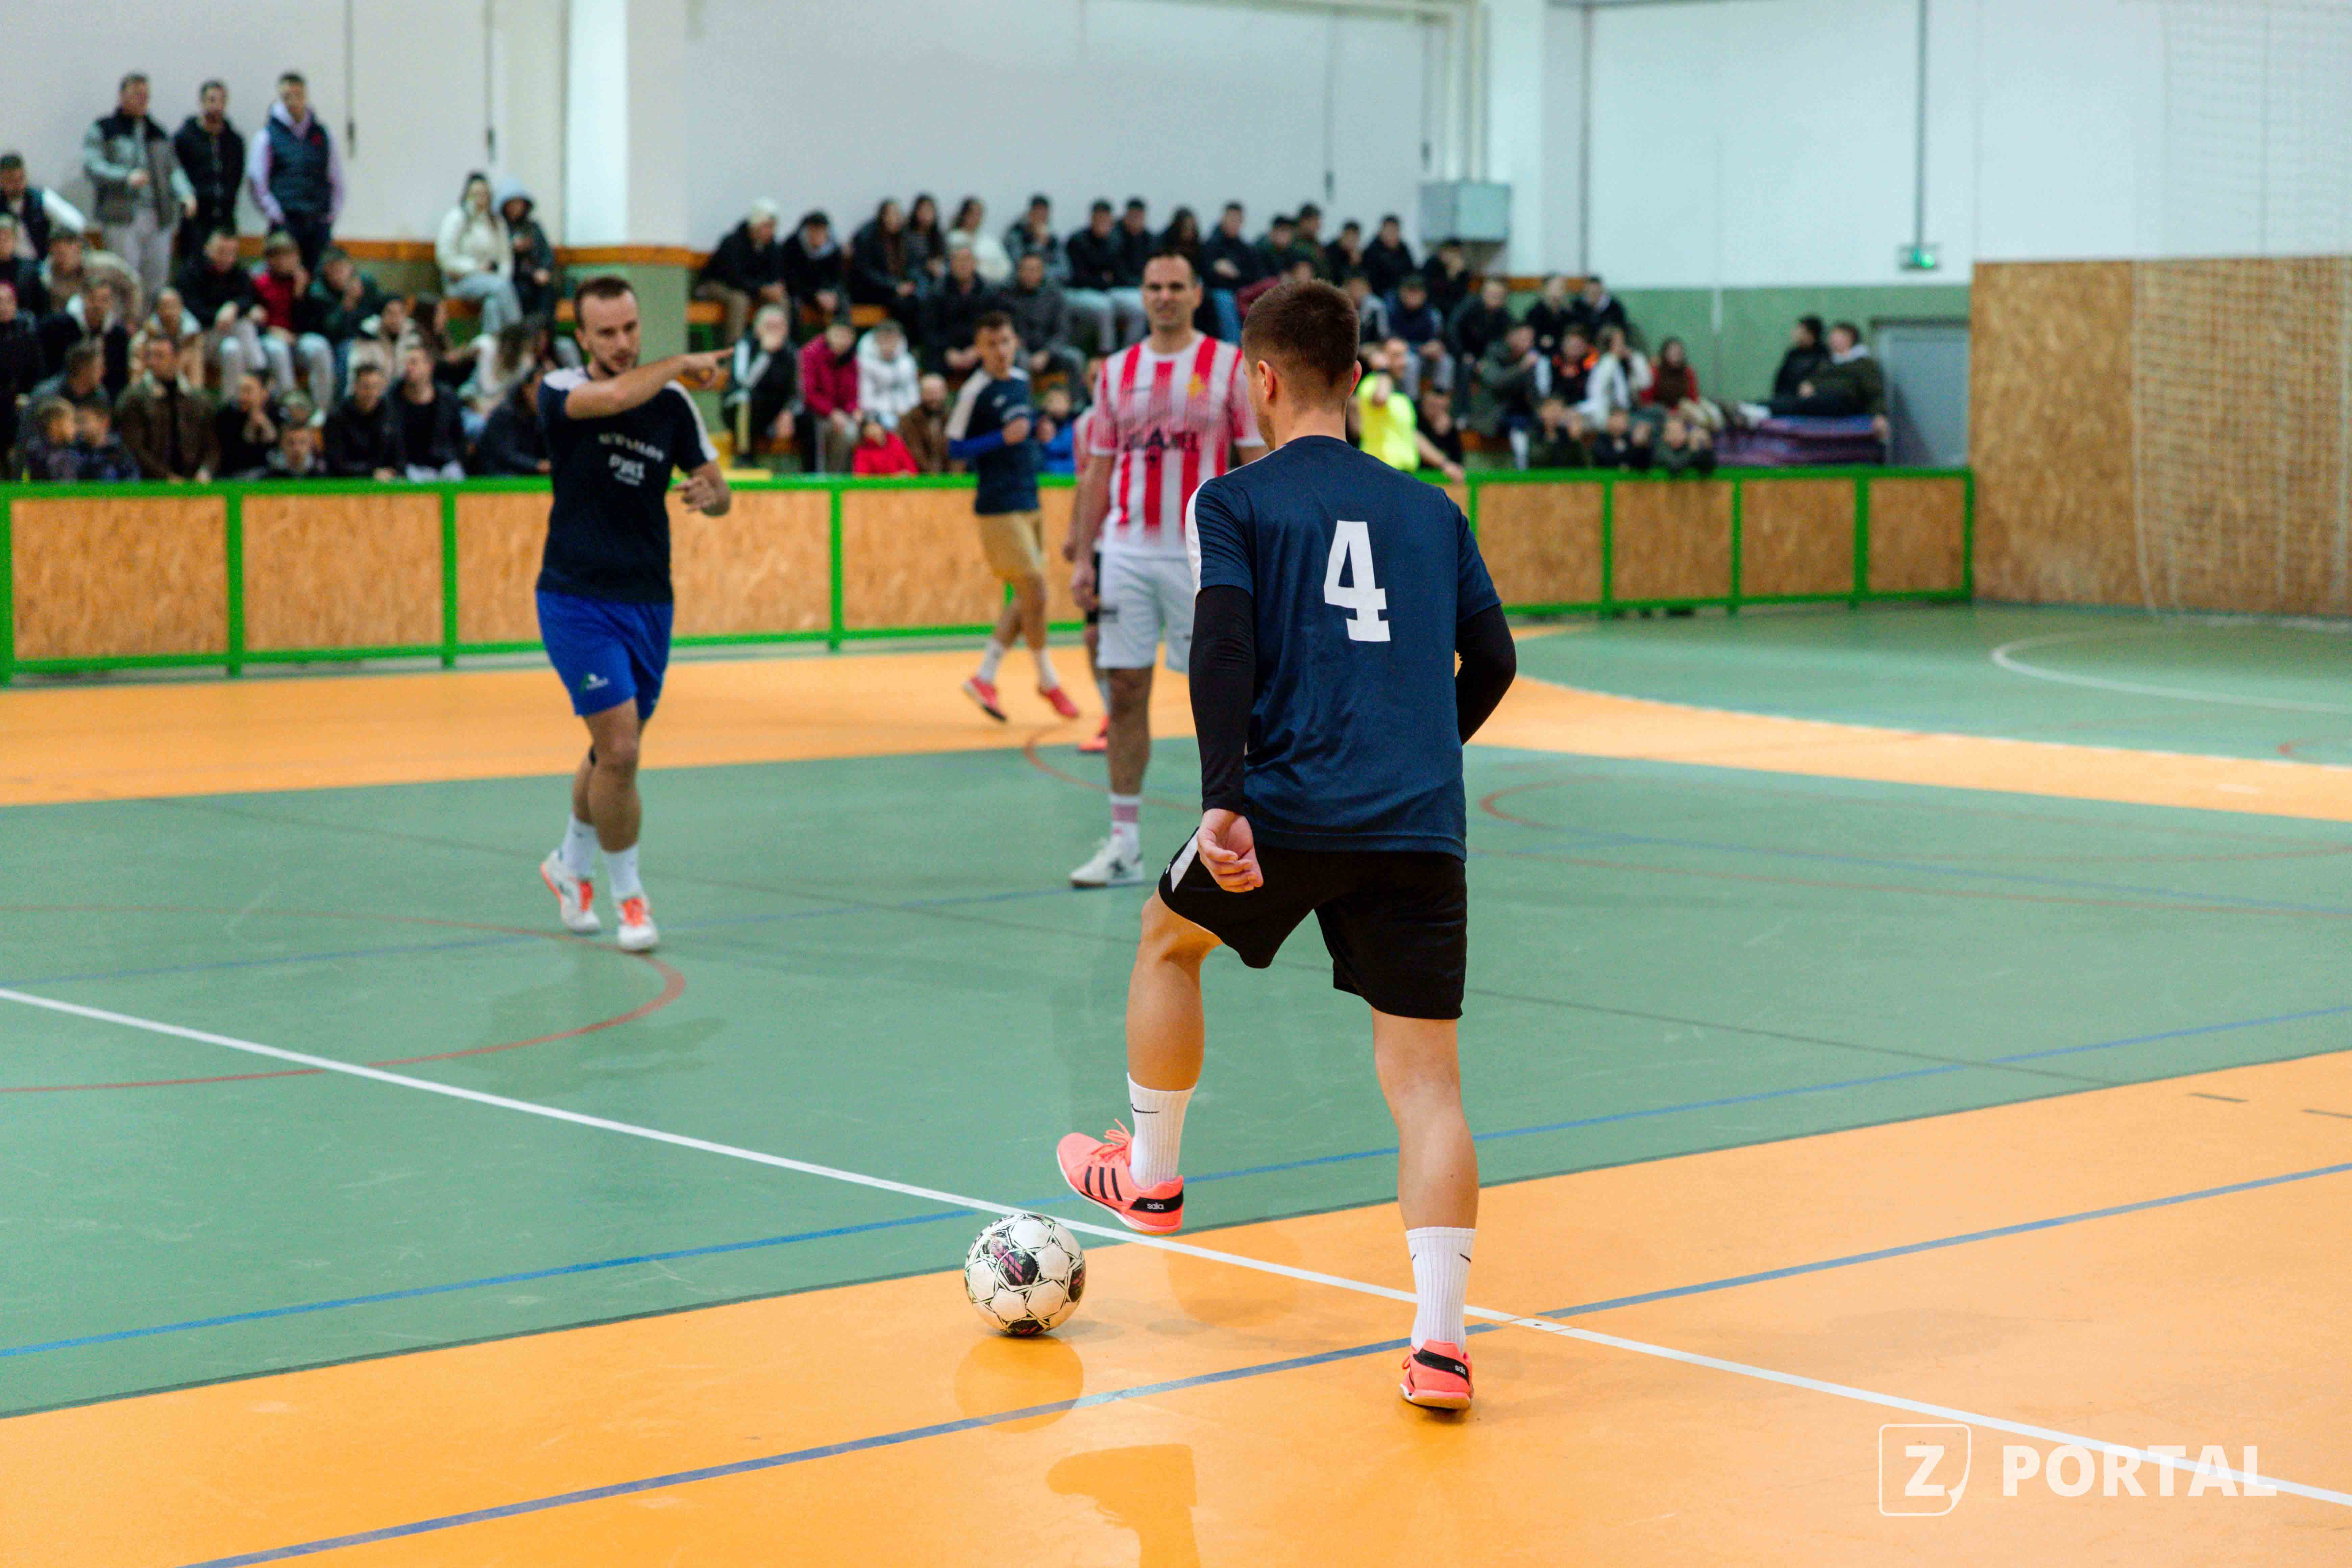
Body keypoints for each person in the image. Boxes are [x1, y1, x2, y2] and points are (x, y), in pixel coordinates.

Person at [1053, 277, 1516, 1413]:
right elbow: (1496, 662)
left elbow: (1222, 648)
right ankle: (1442, 1347)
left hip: (1288, 808)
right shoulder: (1433, 512)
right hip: (1418, 824)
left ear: (1259, 380)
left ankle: (1151, 1177)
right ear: (1355, 379)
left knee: (1168, 940)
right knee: (1428, 1084)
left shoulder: (1236, 500)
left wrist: (1224, 799)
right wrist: (1417, 752)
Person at [533, 275, 731, 955]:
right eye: (607, 332)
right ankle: (630, 899)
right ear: (583, 338)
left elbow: (721, 490)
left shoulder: (673, 407)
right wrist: (679, 363)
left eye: (630, 328)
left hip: (648, 602)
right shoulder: (561, 390)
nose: (622, 343)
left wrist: (711, 495)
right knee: (621, 749)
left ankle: (569, 864)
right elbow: (617, 396)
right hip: (576, 598)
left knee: (609, 754)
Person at [1065, 247, 1265, 887]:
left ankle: (1245, 832)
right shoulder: (1115, 371)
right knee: (1125, 689)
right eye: (1155, 287)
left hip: (1200, 554)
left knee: (1225, 694)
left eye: (1177, 286)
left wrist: (1264, 550)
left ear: (1198, 294)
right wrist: (1085, 556)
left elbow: (1255, 462)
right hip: (1126, 551)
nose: (1165, 297)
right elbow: (1098, 468)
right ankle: (1124, 844)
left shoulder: (1228, 366)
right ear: (1143, 294)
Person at [949, 311, 1077, 726]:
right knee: (1035, 589)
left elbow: (1025, 425)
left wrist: (1040, 429)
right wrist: (999, 439)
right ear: (978, 348)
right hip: (998, 504)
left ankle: (985, 677)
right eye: (991, 344)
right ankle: (1048, 680)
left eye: (1005, 342)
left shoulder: (1022, 381)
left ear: (1015, 342)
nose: (1000, 351)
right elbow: (954, 448)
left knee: (1029, 595)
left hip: (1029, 498)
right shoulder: (975, 392)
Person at [83, 72, 196, 304]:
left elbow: (173, 169)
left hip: (158, 215)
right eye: (136, 94)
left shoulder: (157, 132)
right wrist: (125, 177)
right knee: (124, 279)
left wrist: (186, 193)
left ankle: (151, 324)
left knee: (157, 279)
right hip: (122, 215)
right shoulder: (105, 129)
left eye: (146, 95)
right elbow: (93, 166)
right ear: (122, 96)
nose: (142, 100)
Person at [245, 72, 343, 270]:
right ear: (280, 98)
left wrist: (331, 214)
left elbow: (336, 177)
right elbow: (257, 183)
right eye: (287, 96)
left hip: (318, 223)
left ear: (306, 96)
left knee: (317, 278)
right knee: (284, 278)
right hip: (285, 223)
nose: (293, 101)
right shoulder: (267, 136)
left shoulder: (323, 134)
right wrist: (277, 215)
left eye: (298, 95)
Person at [1356, 337, 1462, 482]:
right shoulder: (1371, 384)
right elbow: (1381, 398)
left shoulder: (1402, 398)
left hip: (1402, 475)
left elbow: (1413, 436)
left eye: (1405, 355)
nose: (1404, 362)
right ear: (1382, 358)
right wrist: (1382, 370)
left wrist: (1445, 464)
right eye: (1397, 356)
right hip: (1379, 473)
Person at [115, 328, 215, 479]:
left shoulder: (198, 400)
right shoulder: (134, 399)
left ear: (177, 358)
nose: (152, 362)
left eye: (160, 356)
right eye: (150, 356)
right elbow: (134, 448)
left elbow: (212, 445)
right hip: (150, 483)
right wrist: (166, 477)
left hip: (195, 482)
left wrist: (206, 471)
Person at [249, 229, 334, 399]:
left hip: (297, 338)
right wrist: (270, 330)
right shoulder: (259, 283)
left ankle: (322, 409)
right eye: (278, 257)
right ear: (269, 259)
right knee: (278, 350)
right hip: (269, 339)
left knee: (320, 347)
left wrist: (300, 295)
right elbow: (252, 321)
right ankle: (289, 405)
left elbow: (313, 324)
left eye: (288, 257)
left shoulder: (305, 282)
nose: (283, 262)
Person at [436, 172, 521, 338]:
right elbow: (445, 258)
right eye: (477, 194)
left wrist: (501, 275)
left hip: (493, 281)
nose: (481, 199)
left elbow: (506, 258)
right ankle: (518, 340)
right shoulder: (457, 218)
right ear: (468, 194)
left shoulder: (496, 221)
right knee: (501, 288)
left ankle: (493, 347)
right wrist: (476, 268)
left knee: (493, 304)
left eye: (485, 194)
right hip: (460, 281)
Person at [696, 199, 786, 347]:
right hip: (716, 285)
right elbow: (733, 278)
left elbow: (776, 275)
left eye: (773, 227)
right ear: (756, 224)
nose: (771, 231)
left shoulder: (772, 248)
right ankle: (734, 353)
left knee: (782, 300)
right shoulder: (733, 242)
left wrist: (774, 289)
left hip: (751, 290)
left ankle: (777, 350)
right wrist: (761, 289)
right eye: (767, 226)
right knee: (740, 300)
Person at [174, 82, 245, 264]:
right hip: (195, 219)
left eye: (221, 101)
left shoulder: (235, 141)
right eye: (212, 100)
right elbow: (175, 173)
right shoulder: (184, 138)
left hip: (225, 218)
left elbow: (237, 177)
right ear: (202, 102)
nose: (217, 106)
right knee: (194, 266)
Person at [300, 246, 386, 391]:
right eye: (333, 270)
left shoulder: (366, 283)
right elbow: (330, 330)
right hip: (333, 342)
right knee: (348, 351)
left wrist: (360, 302)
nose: (338, 274)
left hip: (366, 336)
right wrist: (347, 303)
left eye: (342, 268)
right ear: (325, 271)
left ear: (351, 268)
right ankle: (343, 399)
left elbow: (376, 313)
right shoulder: (318, 292)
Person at [1465, 320, 1548, 468]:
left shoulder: (1528, 360)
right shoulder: (1492, 354)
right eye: (1524, 339)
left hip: (1521, 412)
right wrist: (1521, 368)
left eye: (1531, 339)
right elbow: (1497, 383)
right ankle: (1521, 468)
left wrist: (1544, 410)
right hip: (1493, 413)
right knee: (1519, 425)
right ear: (1510, 337)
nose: (1529, 343)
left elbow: (1533, 393)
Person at [725, 302, 800, 458]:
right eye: (769, 326)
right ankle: (745, 458)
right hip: (743, 405)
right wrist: (765, 355)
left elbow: (796, 390)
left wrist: (788, 411)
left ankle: (813, 469)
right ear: (757, 328)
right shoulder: (745, 345)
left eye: (779, 326)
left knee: (807, 416)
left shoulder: (791, 351)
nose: (774, 331)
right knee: (744, 401)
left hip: (775, 406)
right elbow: (744, 384)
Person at [1064, 200, 1138, 354]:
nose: (1103, 224)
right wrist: (1103, 279)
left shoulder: (1115, 241)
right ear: (1092, 219)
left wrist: (1105, 279)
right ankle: (1106, 354)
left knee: (1138, 310)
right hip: (1079, 291)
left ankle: (1130, 354)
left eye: (1106, 220)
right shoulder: (1078, 240)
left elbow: (1119, 275)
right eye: (1100, 219)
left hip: (1107, 291)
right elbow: (1079, 277)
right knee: (1105, 308)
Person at [1005, 250, 1083, 389]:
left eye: (1034, 270)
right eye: (1026, 270)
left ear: (1042, 272)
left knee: (1076, 358)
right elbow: (1005, 328)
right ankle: (1024, 401)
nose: (1029, 274)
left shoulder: (1055, 296)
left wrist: (1047, 353)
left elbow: (1063, 331)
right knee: (1020, 359)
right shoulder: (1007, 296)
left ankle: (1076, 401)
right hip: (1020, 349)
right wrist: (1016, 343)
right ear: (1019, 272)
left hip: (1050, 351)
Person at [0, 153, 87, 271]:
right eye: (10, 181)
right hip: (9, 265)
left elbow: (77, 223)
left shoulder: (41, 199)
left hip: (41, 264)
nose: (16, 185)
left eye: (20, 179)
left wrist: (57, 245)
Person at [921, 243, 998, 375]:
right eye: (958, 260)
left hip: (979, 350)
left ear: (975, 263)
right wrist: (947, 351)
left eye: (967, 260)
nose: (963, 265)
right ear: (951, 264)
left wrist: (978, 349)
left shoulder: (989, 291)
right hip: (945, 351)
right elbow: (929, 329)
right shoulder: (937, 292)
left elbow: (995, 326)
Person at [395, 341, 467, 479]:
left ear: (429, 366)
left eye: (414, 363)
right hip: (410, 467)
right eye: (405, 363)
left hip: (444, 465)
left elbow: (459, 438)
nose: (408, 368)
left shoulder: (448, 398)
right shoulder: (392, 400)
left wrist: (458, 461)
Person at [798, 317, 860, 472]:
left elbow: (852, 393)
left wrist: (854, 410)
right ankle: (817, 477)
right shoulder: (811, 353)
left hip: (839, 414)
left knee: (850, 432)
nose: (842, 341)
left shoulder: (851, 359)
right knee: (816, 429)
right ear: (828, 334)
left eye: (847, 336)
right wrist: (832, 413)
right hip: (814, 412)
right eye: (838, 335)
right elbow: (808, 393)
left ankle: (836, 478)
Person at [323, 360, 401, 478]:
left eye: (376, 387)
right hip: (347, 482)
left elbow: (399, 456)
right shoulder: (337, 417)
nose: (371, 393)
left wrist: (393, 473)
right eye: (366, 387)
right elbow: (336, 464)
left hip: (385, 482)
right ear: (355, 386)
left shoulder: (390, 414)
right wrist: (371, 474)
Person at [498, 181, 561, 328]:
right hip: (516, 279)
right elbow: (502, 261)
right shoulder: (501, 229)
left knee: (548, 291)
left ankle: (545, 335)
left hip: (539, 278)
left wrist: (544, 270)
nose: (515, 208)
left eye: (518, 203)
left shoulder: (534, 228)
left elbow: (547, 254)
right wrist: (514, 250)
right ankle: (525, 335)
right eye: (512, 204)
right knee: (523, 293)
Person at [848, 197, 918, 325]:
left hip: (898, 288)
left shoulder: (904, 237)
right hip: (872, 290)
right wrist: (894, 286)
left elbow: (914, 264)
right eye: (891, 215)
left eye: (898, 215)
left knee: (920, 299)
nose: (895, 219)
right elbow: (866, 273)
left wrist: (910, 283)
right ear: (882, 217)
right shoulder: (867, 237)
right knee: (902, 305)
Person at [475, 364, 550, 476]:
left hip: (525, 471)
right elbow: (506, 454)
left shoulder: (542, 415)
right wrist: (537, 465)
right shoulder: (505, 413)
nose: (544, 396)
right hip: (496, 473)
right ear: (526, 389)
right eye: (540, 389)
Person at [1200, 202, 1256, 343]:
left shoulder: (1245, 248)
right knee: (1225, 299)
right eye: (1231, 219)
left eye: (1237, 220)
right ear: (1223, 219)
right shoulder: (1211, 244)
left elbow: (1253, 275)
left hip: (1241, 290)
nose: (1234, 223)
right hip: (1218, 291)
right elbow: (1205, 273)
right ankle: (1234, 344)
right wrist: (1217, 270)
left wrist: (1235, 274)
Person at [779, 210, 845, 328]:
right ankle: (794, 338)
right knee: (793, 304)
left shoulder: (834, 248)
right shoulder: (792, 245)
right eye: (814, 231)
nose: (818, 236)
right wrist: (815, 294)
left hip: (825, 292)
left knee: (842, 300)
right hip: (801, 292)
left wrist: (831, 292)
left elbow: (838, 277)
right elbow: (791, 280)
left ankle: (841, 334)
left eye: (822, 232)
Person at [0, 281, 44, 458]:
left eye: (9, 301)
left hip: (23, 403)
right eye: (0, 302)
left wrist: (28, 396)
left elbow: (38, 372)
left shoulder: (27, 335)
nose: (4, 306)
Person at [1387, 274, 1450, 397]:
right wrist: (1419, 349)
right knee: (1412, 362)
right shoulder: (1392, 310)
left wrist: (1436, 347)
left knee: (1446, 361)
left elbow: (1438, 339)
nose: (1413, 297)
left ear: (1424, 295)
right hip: (1402, 354)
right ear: (1402, 292)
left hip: (1427, 355)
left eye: (1417, 293)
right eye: (1410, 292)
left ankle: (1439, 400)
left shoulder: (1432, 314)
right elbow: (1389, 340)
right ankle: (1412, 403)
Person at [856, 317, 920, 430]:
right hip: (877, 412)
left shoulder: (907, 362)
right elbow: (866, 396)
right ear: (877, 340)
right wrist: (882, 413)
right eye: (885, 339)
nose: (889, 344)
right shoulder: (865, 363)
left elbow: (912, 390)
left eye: (893, 339)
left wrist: (910, 411)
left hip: (904, 411)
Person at [1642, 336, 1720, 429]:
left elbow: (1694, 398)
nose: (1676, 355)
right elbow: (1648, 402)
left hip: (1686, 410)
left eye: (1678, 352)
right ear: (1665, 353)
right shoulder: (1656, 372)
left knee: (1713, 414)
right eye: (1672, 351)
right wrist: (1671, 413)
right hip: (1663, 413)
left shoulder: (1688, 372)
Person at [212, 371, 279, 477]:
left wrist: (267, 427)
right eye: (240, 391)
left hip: (270, 476)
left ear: (264, 393)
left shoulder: (276, 412)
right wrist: (250, 427)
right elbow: (231, 455)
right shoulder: (227, 415)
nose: (242, 397)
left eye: (248, 391)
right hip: (235, 476)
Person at [897, 371, 952, 475]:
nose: (934, 398)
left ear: (945, 393)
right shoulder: (910, 420)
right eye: (929, 393)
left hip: (951, 477)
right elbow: (914, 450)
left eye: (937, 393)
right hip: (920, 476)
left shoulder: (953, 417)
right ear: (921, 394)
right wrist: (931, 474)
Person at [948, 197, 1011, 286]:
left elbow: (1006, 269)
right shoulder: (953, 239)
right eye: (973, 214)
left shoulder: (990, 242)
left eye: (979, 214)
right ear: (964, 215)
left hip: (992, 287)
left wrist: (982, 267)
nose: (976, 218)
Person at [71, 399, 141, 480]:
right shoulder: (75, 452)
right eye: (77, 422)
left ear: (104, 421)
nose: (79, 427)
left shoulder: (120, 453)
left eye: (84, 421)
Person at [1766, 315, 1829, 403]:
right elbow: (1781, 380)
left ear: (1810, 334)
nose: (1795, 334)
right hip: (1784, 399)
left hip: (1806, 402)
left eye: (1800, 331)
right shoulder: (1793, 353)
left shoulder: (1823, 355)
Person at [1003, 195, 1066, 282]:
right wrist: (1039, 244)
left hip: (1048, 283)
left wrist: (1041, 273)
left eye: (1044, 216)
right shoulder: (1016, 236)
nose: (1040, 219)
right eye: (1037, 215)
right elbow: (1020, 267)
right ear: (1030, 215)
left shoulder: (1053, 239)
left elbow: (1064, 271)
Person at [17, 397, 81, 481]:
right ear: (55, 425)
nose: (76, 428)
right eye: (71, 422)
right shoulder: (36, 452)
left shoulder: (74, 450)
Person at [263, 394, 326, 477]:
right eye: (290, 443)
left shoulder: (324, 476)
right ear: (282, 444)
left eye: (302, 443)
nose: (297, 449)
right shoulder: (268, 478)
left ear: (311, 443)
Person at [1526, 396, 1589, 469]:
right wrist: (1550, 435)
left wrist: (1576, 440)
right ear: (1542, 412)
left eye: (1558, 410)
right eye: (1551, 410)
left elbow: (1583, 463)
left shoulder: (1567, 433)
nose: (1554, 414)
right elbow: (1537, 459)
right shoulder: (1535, 432)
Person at [1361, 215, 1415, 301]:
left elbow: (1410, 273)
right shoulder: (1371, 251)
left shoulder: (1404, 249)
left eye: (1394, 231)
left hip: (1402, 292)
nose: (1391, 234)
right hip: (1378, 293)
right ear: (1382, 231)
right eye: (1389, 230)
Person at [850, 410, 917, 476]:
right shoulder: (863, 450)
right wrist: (890, 478)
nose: (875, 431)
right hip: (879, 483)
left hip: (902, 482)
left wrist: (905, 474)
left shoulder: (895, 441)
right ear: (865, 433)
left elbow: (912, 469)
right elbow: (861, 477)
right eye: (870, 429)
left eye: (876, 426)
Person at [905, 193, 948, 290]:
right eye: (923, 211)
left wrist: (938, 266)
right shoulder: (907, 235)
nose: (926, 215)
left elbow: (946, 258)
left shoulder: (939, 236)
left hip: (936, 275)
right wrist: (926, 265)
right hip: (914, 276)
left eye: (929, 211)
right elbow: (906, 262)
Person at [1570, 273, 1627, 341]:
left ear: (1601, 291)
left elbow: (1621, 327)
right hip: (1583, 340)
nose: (1592, 295)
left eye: (1595, 292)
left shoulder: (1614, 307)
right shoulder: (1577, 305)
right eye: (1589, 292)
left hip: (1606, 341)